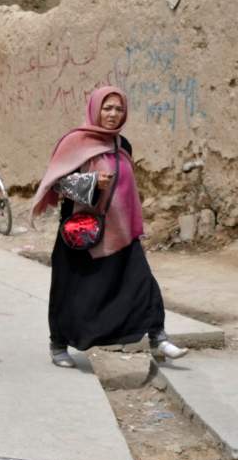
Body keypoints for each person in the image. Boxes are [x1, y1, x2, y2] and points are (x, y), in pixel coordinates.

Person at [32, 87, 189, 368]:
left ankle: (157, 336)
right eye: (107, 108)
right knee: (71, 292)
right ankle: (58, 345)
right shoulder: (75, 142)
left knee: (142, 282)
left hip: (121, 230)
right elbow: (55, 183)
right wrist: (91, 181)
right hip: (81, 232)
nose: (113, 114)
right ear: (95, 109)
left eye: (118, 109)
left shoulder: (122, 144)